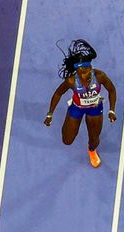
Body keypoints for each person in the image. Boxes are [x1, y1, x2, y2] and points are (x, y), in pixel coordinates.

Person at [44, 39, 117, 168]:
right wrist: (50, 114)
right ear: (76, 70)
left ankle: (91, 150)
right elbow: (57, 94)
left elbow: (111, 90)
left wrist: (111, 110)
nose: (87, 73)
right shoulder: (71, 81)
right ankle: (71, 122)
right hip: (77, 108)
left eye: (89, 68)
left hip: (95, 109)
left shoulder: (99, 76)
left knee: (94, 140)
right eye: (83, 70)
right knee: (67, 140)